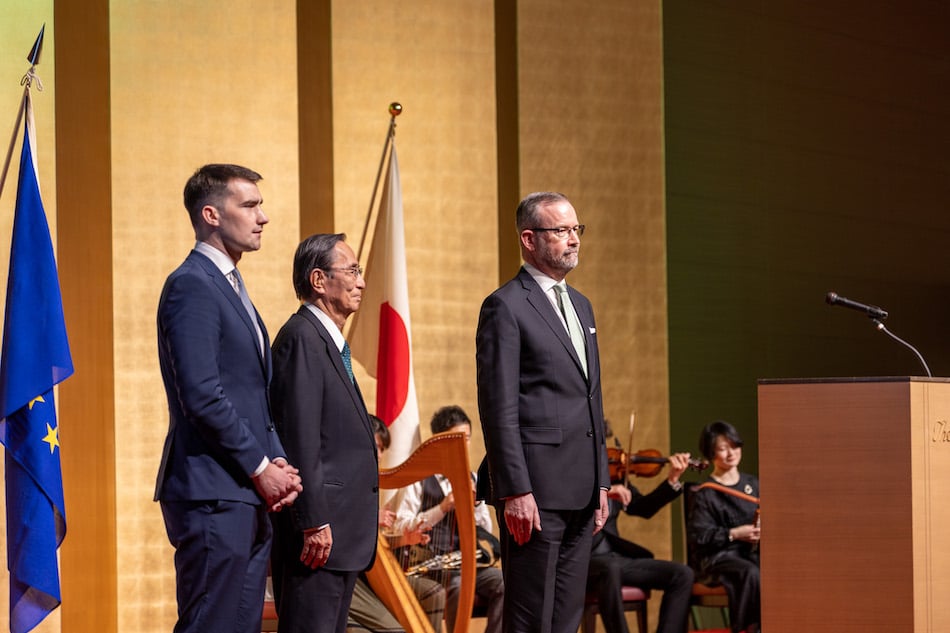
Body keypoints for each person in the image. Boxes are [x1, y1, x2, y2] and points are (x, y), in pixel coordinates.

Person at [155, 163, 302, 633]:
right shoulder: (192, 285)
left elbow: (253, 398)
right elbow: (202, 396)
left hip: (243, 493)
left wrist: (277, 462)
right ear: (212, 214)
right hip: (212, 491)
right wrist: (261, 468)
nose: (263, 217)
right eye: (251, 205)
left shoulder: (232, 287)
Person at [476, 191, 610, 633]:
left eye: (576, 229)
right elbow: (498, 407)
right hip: (533, 491)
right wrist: (514, 489)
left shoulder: (583, 305)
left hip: (582, 487)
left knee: (566, 619)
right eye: (561, 231)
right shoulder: (506, 305)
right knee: (531, 617)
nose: (573, 240)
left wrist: (603, 482)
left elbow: (593, 398)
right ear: (529, 239)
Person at [269, 233, 379, 633]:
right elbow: (300, 437)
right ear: (318, 280)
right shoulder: (302, 338)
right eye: (351, 270)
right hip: (318, 536)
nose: (361, 282)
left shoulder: (327, 343)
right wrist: (313, 520)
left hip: (340, 535)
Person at [390, 405, 505, 633]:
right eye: (457, 440)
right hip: (430, 564)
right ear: (440, 441)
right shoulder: (420, 480)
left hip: (470, 563)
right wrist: (442, 508)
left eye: (467, 439)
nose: (464, 446)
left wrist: (474, 504)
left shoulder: (474, 478)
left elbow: (485, 531)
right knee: (457, 585)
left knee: (504, 582)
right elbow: (401, 524)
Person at [587, 422, 694, 633]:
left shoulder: (614, 475)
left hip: (614, 558)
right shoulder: (572, 476)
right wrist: (605, 493)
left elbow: (642, 508)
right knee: (612, 569)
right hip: (585, 561)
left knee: (683, 574)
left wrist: (672, 479)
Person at [345, 417, 446, 633]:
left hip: (369, 573)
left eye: (382, 449)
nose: (380, 455)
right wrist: (371, 517)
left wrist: (406, 539)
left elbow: (375, 542)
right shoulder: (343, 478)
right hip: (349, 575)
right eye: (378, 447)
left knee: (433, 593)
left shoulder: (367, 482)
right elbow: (339, 528)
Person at [687, 421, 760, 633]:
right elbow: (698, 535)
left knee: (776, 569)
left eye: (734, 446)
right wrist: (735, 534)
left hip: (751, 553)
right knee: (751, 573)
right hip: (719, 558)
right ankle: (747, 628)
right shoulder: (706, 492)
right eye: (722, 448)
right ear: (711, 454)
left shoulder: (753, 484)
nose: (731, 453)